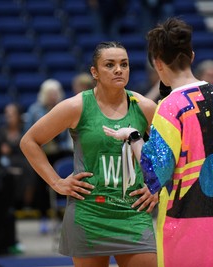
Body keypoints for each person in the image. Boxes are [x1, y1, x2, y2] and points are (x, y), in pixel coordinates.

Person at [103, 18, 213, 267]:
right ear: (192, 55)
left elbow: (156, 173)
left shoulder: (168, 107)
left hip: (185, 224)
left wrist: (133, 136)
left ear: (157, 63)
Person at [20, 41, 158, 267]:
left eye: (124, 64)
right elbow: (29, 141)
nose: (119, 70)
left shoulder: (144, 106)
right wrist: (56, 182)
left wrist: (157, 186)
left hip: (132, 212)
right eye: (110, 65)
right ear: (94, 72)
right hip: (89, 212)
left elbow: (171, 151)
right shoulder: (76, 106)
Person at [24, 78, 71, 233]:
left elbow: (68, 134)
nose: (52, 96)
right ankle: (43, 217)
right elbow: (28, 133)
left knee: (65, 181)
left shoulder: (64, 108)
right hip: (42, 152)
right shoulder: (34, 109)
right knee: (41, 186)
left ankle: (63, 217)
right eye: (50, 93)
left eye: (55, 93)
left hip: (59, 152)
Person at [0, 103, 36, 210]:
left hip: (22, 159)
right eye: (6, 114)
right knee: (5, 167)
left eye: (11, 114)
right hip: (6, 160)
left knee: (29, 169)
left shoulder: (24, 130)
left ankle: (27, 205)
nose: (8, 117)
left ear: (18, 116)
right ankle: (9, 203)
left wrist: (11, 149)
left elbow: (27, 147)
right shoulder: (1, 131)